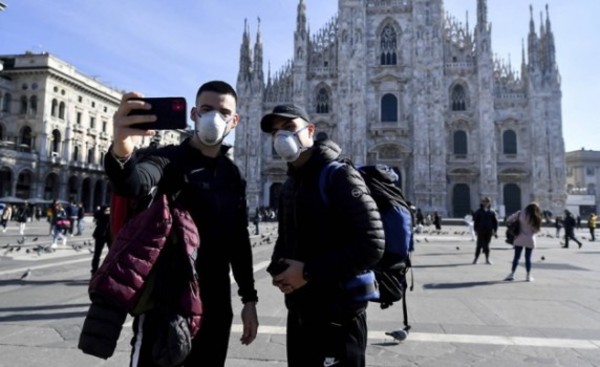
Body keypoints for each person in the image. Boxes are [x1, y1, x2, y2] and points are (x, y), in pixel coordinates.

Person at [104, 80, 258, 366]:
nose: (215, 117)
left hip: (215, 302)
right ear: (194, 115)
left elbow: (239, 240)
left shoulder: (233, 175)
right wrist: (122, 149)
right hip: (166, 301)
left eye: (224, 112)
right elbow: (133, 182)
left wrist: (249, 299)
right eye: (207, 109)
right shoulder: (166, 160)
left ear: (235, 121)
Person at [260, 104, 385, 367]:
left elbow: (372, 244)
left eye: (290, 128)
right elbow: (286, 238)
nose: (281, 137)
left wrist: (307, 272)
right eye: (275, 132)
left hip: (339, 316)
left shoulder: (339, 175)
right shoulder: (292, 182)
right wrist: (278, 268)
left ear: (311, 130)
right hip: (301, 312)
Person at [504, 202, 542, 282]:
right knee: (528, 258)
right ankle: (528, 276)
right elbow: (536, 230)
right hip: (530, 239)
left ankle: (512, 274)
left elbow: (508, 220)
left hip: (519, 238)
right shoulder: (535, 217)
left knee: (516, 257)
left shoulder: (520, 213)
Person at [472, 197, 498, 265]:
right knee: (479, 245)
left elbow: (495, 222)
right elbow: (476, 221)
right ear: (482, 203)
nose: (486, 203)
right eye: (484, 202)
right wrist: (475, 230)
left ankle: (487, 259)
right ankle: (476, 259)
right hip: (480, 230)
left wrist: (495, 230)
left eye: (487, 202)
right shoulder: (479, 211)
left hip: (489, 231)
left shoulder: (492, 212)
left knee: (487, 245)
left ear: (489, 203)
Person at [90, 205, 111, 275]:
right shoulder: (101, 215)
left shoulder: (110, 216)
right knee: (97, 254)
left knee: (111, 253)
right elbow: (96, 215)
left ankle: (109, 269)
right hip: (100, 236)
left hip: (109, 236)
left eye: (109, 211)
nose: (108, 212)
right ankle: (94, 270)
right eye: (107, 210)